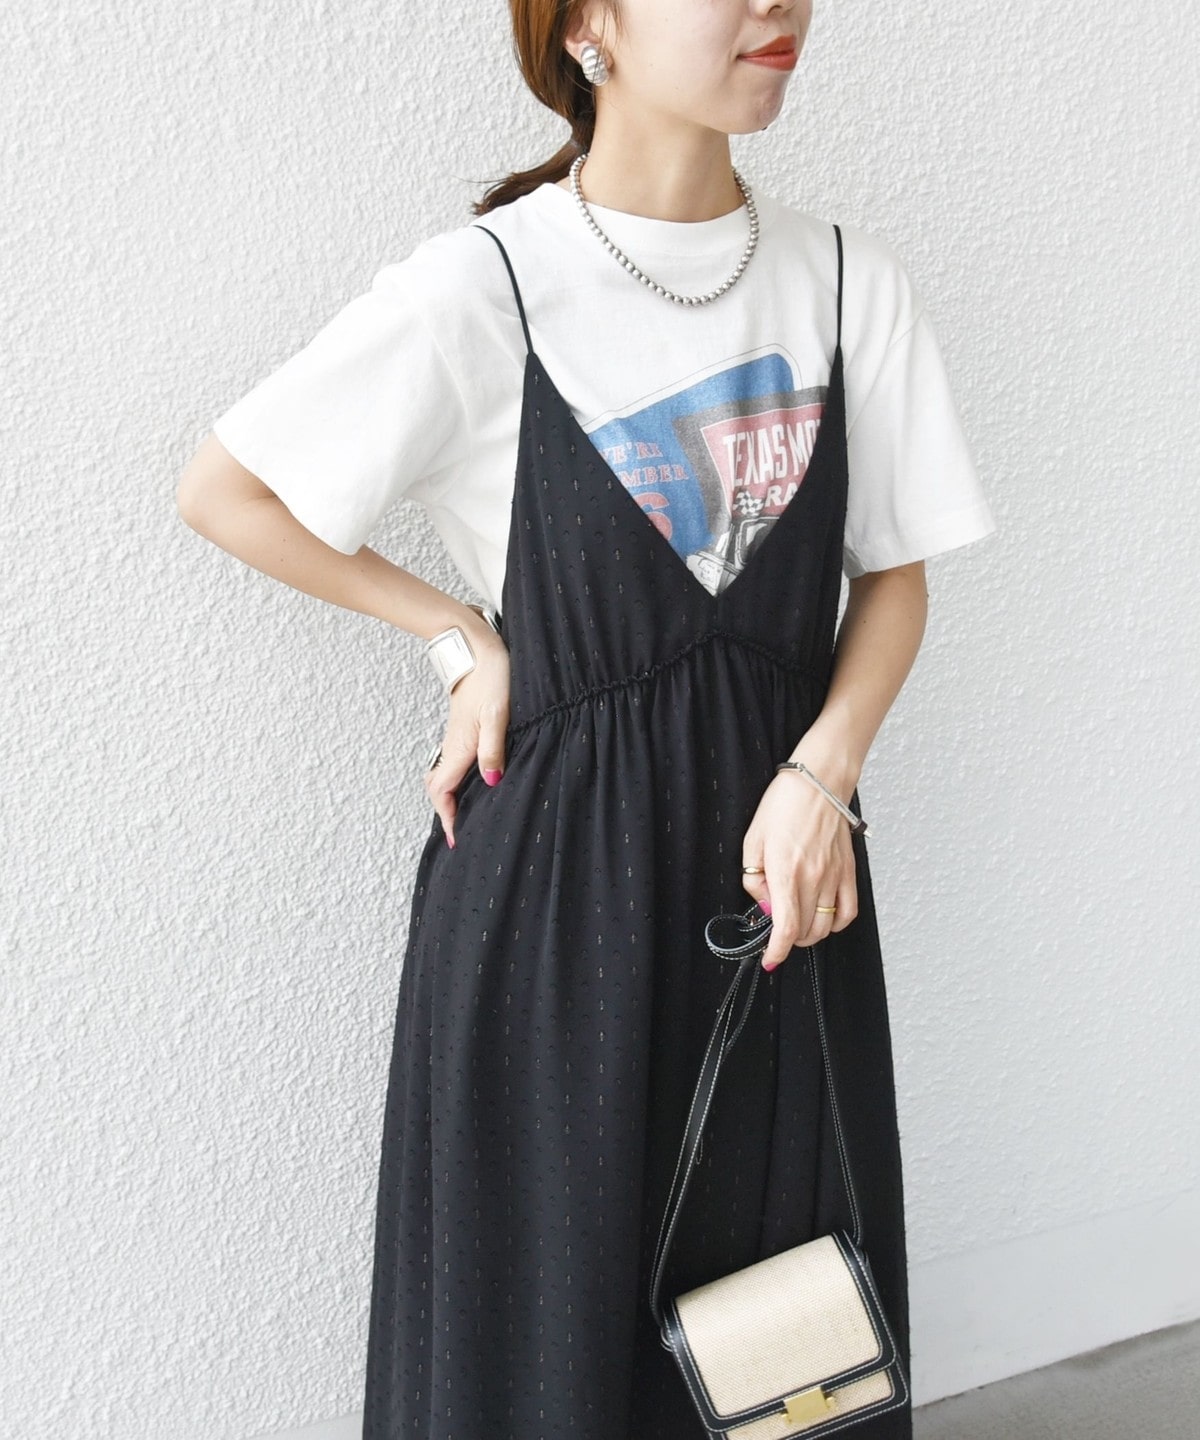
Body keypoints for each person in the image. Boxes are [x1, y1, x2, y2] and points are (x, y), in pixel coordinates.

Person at [177, 0, 996, 1435]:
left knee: (784, 1344)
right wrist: (455, 637)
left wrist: (825, 772)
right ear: (590, 22)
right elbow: (226, 491)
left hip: (780, 890)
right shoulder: (486, 286)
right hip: (554, 912)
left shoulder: (843, 282)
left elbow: (895, 578)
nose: (778, 6)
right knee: (541, 1333)